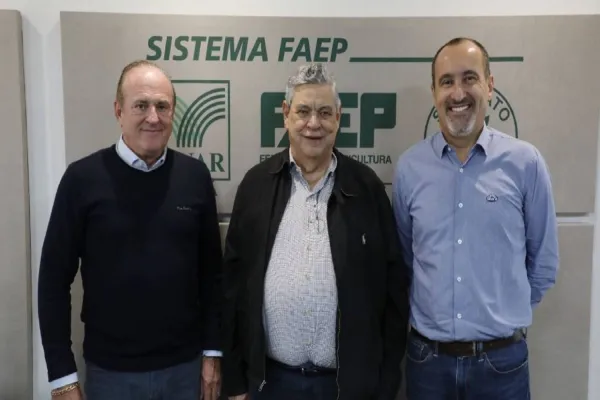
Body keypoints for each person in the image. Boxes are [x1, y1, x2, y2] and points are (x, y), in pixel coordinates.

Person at [220, 62, 410, 400]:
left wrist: (385, 386)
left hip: (348, 388)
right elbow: (232, 288)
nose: (313, 123)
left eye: (324, 113)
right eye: (303, 111)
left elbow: (393, 293)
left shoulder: (366, 188)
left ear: (338, 117)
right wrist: (235, 382)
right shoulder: (256, 186)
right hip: (271, 384)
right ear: (286, 114)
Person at [38, 60, 223, 400]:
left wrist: (213, 352)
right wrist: (62, 378)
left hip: (185, 372)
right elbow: (53, 281)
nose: (153, 117)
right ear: (118, 111)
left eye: (162, 106)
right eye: (141, 105)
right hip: (110, 375)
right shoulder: (81, 180)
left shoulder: (195, 177)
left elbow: (212, 274)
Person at [392, 37, 559, 400]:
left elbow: (543, 264)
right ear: (434, 92)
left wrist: (501, 314)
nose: (458, 93)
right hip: (428, 363)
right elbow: (406, 260)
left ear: (489, 85)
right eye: (447, 81)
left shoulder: (525, 163)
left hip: (502, 365)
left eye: (469, 78)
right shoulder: (409, 168)